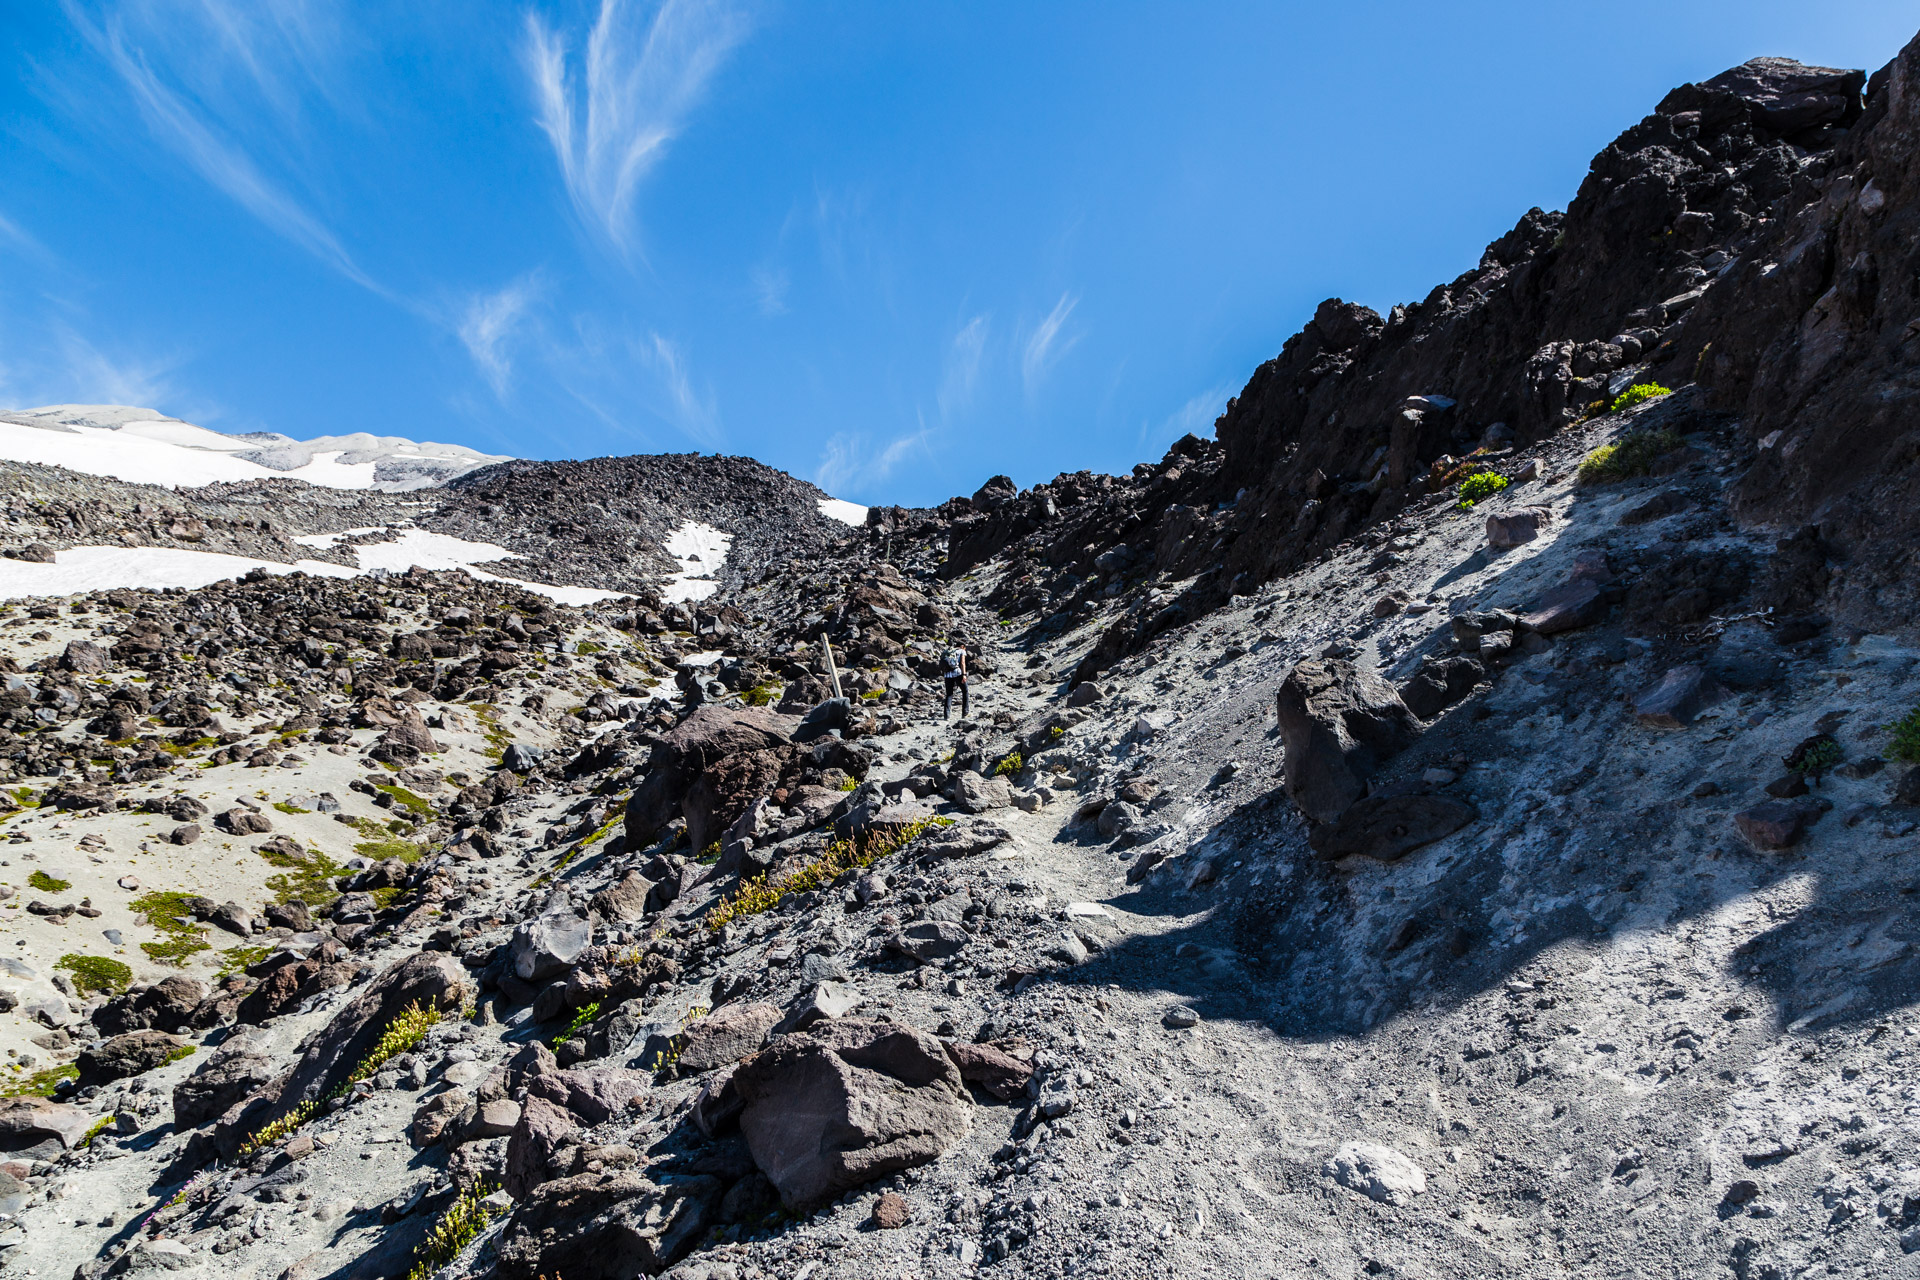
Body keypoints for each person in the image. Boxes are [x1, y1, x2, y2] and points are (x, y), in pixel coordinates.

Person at [941, 643, 969, 720]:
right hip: (957, 673)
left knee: (949, 694)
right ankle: (965, 712)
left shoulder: (948, 651)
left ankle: (946, 716)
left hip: (947, 674)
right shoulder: (961, 651)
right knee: (965, 691)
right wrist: (964, 674)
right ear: (962, 646)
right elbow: (962, 663)